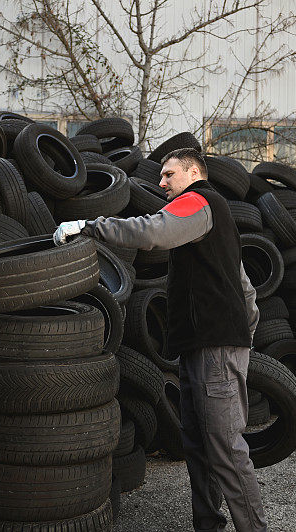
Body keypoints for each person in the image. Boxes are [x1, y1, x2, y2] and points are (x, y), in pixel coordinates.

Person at [53, 148, 267, 532]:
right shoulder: (217, 220)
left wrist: (90, 225)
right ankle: (208, 525)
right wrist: (242, 336)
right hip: (204, 347)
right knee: (200, 445)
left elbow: (154, 232)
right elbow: (245, 289)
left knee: (224, 446)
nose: (162, 183)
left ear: (193, 172)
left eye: (169, 175)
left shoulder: (198, 201)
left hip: (215, 349)